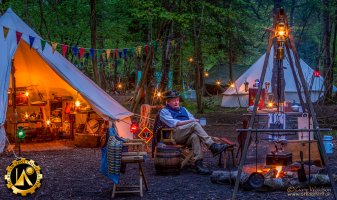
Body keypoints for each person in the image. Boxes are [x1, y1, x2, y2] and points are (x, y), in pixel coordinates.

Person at [159, 90, 230, 174]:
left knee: (195, 136)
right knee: (194, 124)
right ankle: (212, 146)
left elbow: (191, 118)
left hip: (186, 135)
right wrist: (192, 122)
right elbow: (175, 123)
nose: (176, 102)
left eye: (177, 100)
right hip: (175, 134)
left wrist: (193, 122)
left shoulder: (183, 109)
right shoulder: (164, 111)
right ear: (168, 102)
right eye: (173, 100)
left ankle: (198, 165)